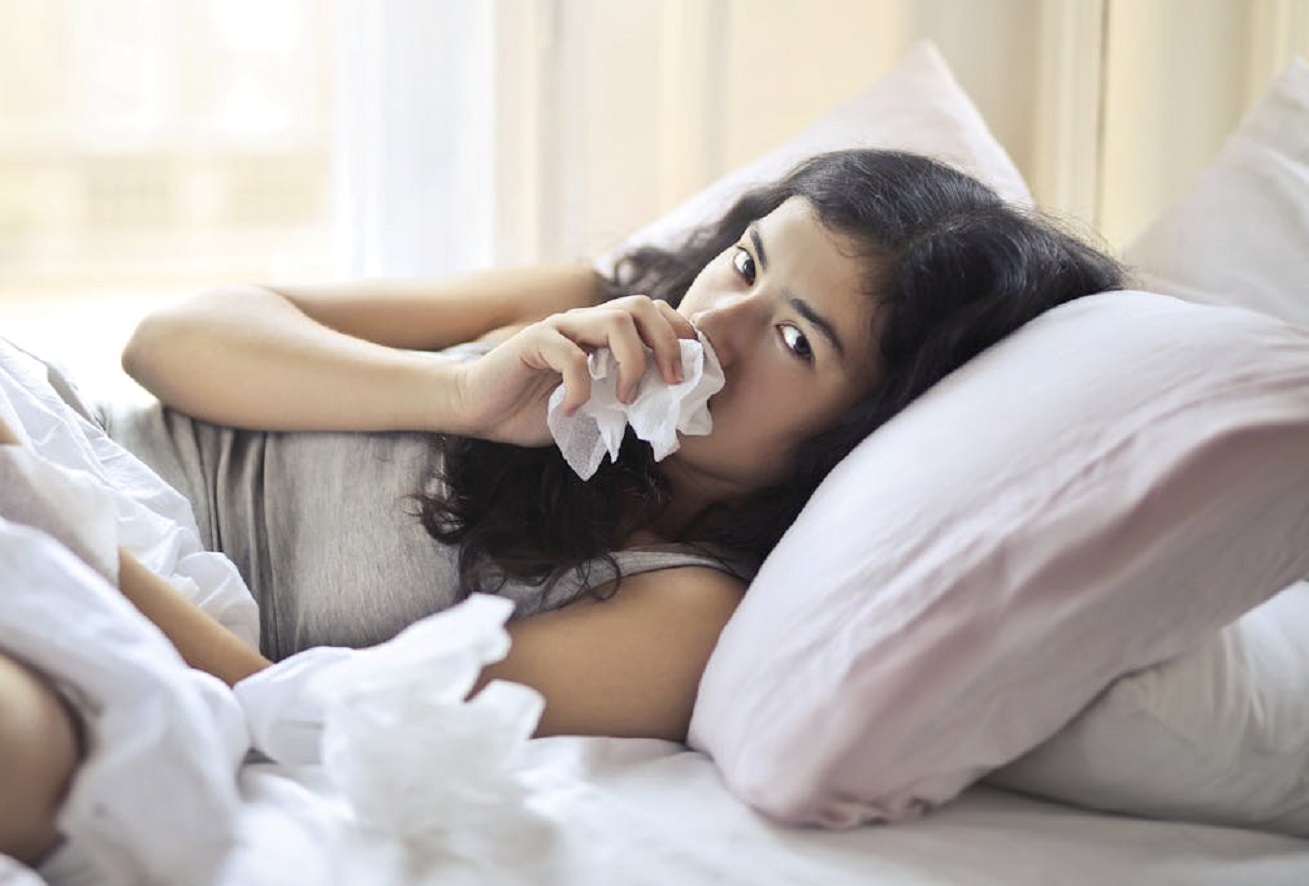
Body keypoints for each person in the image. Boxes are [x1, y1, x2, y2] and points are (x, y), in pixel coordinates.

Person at [0, 148, 1124, 866]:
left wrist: (51, 523)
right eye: (742, 263)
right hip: (68, 441)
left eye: (793, 340)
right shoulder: (583, 313)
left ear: (868, 428)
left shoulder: (682, 614)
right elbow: (170, 342)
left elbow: (299, 711)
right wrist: (456, 390)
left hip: (111, 598)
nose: (713, 328)